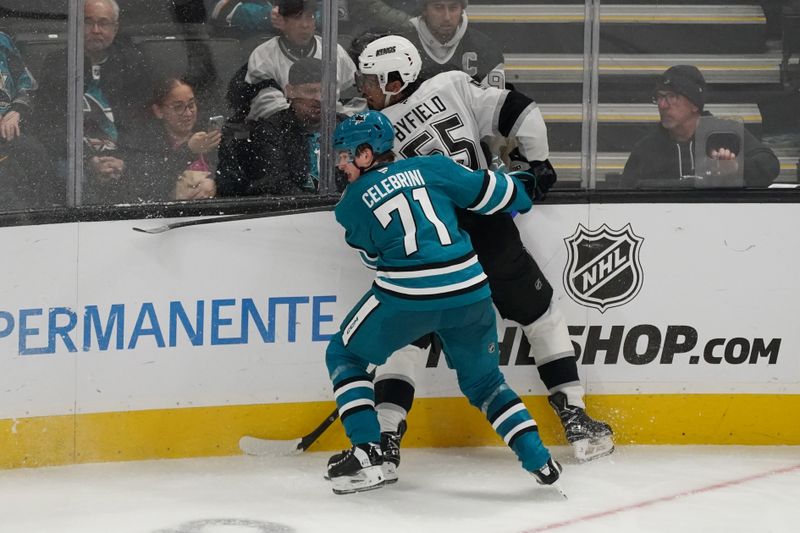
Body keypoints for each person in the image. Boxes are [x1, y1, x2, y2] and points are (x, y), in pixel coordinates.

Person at [352, 35, 614, 476]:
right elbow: (522, 112)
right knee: (540, 314)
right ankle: (574, 414)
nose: (363, 88)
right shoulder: (453, 84)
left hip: (427, 245)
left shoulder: (373, 129)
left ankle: (386, 435)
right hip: (488, 225)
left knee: (405, 337)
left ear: (395, 79)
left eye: (369, 80)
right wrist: (539, 164)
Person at [325, 109, 562, 495]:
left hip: (408, 298)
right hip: (471, 291)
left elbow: (373, 257)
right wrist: (525, 182)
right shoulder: (433, 167)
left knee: (344, 357)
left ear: (367, 154)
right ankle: (540, 462)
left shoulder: (349, 205)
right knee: (486, 383)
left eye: (344, 154)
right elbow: (498, 195)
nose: (340, 163)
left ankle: (369, 451)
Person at [35, 0, 153, 204]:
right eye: (88, 22)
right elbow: (46, 125)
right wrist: (86, 161)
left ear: (115, 29)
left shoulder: (133, 64)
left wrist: (124, 160)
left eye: (104, 23)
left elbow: (142, 123)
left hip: (124, 157)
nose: (96, 30)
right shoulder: (57, 63)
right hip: (72, 161)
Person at [622, 65, 780, 188]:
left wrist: (736, 168)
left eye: (671, 96)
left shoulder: (726, 133)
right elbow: (625, 196)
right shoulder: (647, 148)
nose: (662, 105)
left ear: (694, 105)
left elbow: (769, 165)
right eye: (659, 97)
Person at [219, 57, 340, 196]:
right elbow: (275, 184)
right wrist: (321, 207)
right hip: (298, 214)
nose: (319, 98)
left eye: (325, 92)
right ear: (290, 91)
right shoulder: (270, 130)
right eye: (310, 91)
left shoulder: (345, 124)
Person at [243, 0, 362, 121]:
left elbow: (353, 97)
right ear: (282, 22)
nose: (305, 25)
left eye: (309, 17)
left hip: (331, 129)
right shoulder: (263, 56)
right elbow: (266, 108)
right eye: (297, 18)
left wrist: (346, 122)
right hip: (283, 134)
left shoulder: (334, 51)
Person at [131, 78, 218, 202]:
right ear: (158, 111)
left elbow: (236, 177)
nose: (188, 113)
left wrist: (215, 184)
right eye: (178, 107)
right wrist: (189, 149)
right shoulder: (145, 144)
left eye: (191, 105)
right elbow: (149, 184)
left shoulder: (210, 136)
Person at [0, 30, 57, 209]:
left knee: (36, 154)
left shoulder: (3, 41)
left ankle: (41, 216)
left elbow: (27, 83)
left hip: (9, 129)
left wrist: (15, 111)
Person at [404, 0, 503, 84]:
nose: (447, 17)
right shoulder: (403, 45)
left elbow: (492, 103)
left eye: (453, 8)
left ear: (461, 10)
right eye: (438, 8)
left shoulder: (485, 47)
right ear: (424, 10)